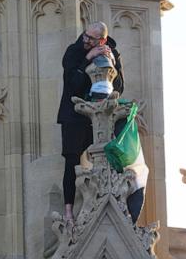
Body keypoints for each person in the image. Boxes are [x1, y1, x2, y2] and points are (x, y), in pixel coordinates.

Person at [57, 22, 124, 223]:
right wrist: (88, 57)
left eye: (91, 39)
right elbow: (73, 83)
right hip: (74, 114)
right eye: (85, 36)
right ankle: (68, 211)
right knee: (71, 160)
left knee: (109, 155)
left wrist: (111, 61)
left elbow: (119, 86)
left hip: (102, 115)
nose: (85, 40)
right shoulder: (74, 51)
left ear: (102, 40)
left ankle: (112, 204)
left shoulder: (112, 52)